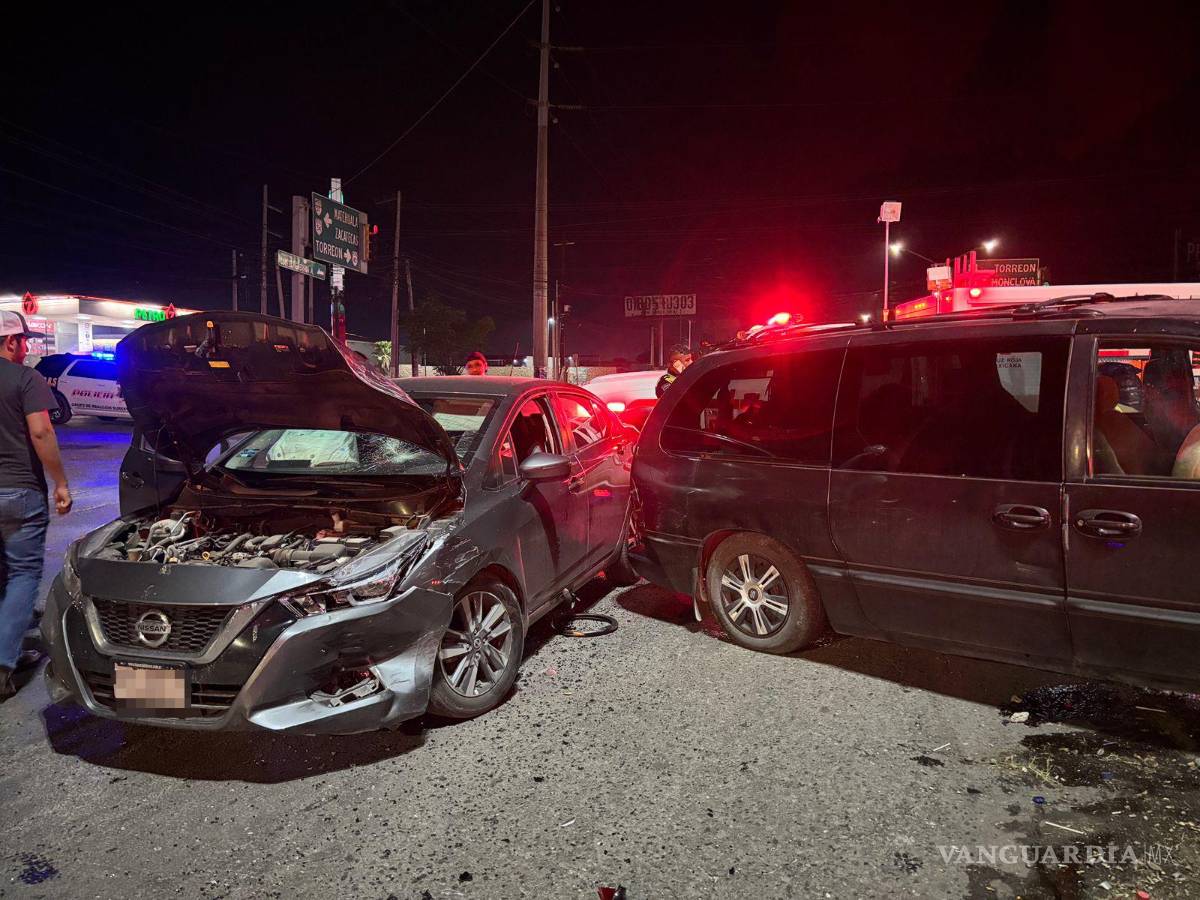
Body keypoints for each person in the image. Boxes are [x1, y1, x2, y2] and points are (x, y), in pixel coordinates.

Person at [0, 311, 72, 700]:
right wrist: (60, 482)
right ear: (11, 341)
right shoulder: (25, 378)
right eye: (24, 341)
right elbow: (41, 430)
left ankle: (8, 648)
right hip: (16, 492)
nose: (26, 348)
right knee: (22, 577)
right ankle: (1, 666)